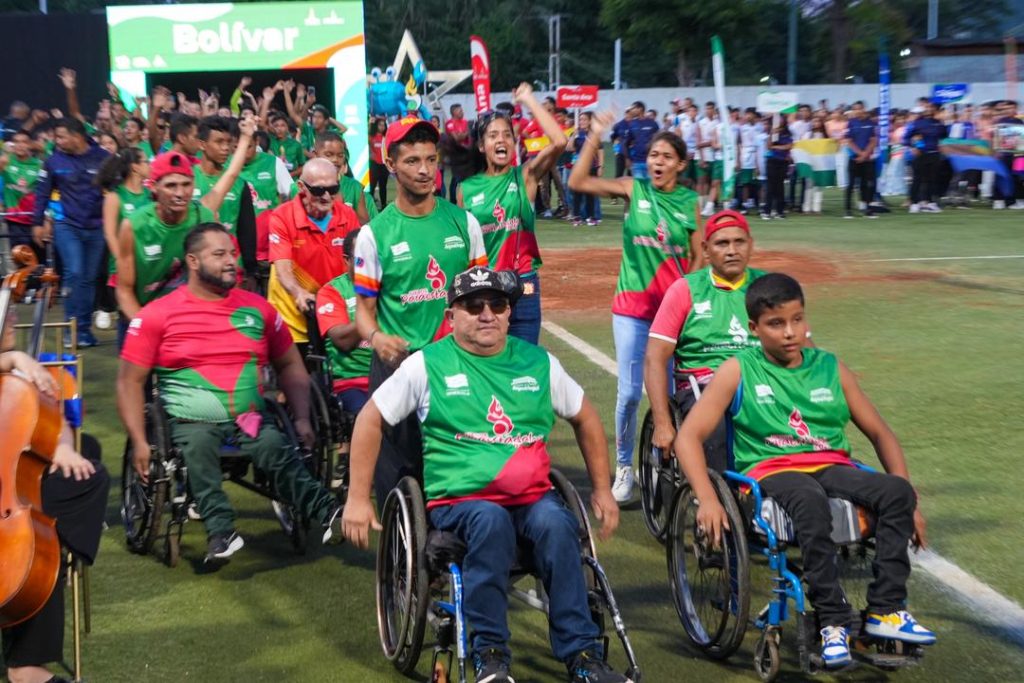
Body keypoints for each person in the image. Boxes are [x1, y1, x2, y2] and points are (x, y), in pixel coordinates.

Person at [342, 266, 630, 683]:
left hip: (532, 499)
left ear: (510, 313)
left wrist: (602, 489)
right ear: (451, 315)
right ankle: (490, 653)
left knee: (558, 524)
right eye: (473, 305)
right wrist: (357, 497)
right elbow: (370, 420)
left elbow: (585, 417)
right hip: (462, 502)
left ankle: (583, 655)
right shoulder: (427, 365)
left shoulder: (539, 363)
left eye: (497, 304)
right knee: (490, 521)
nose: (487, 314)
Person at [675, 272, 937, 667]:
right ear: (754, 329)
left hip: (830, 464)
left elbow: (881, 433)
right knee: (810, 502)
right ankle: (832, 621)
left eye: (797, 320)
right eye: (776, 323)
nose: (789, 332)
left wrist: (910, 503)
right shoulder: (737, 370)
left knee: (898, 491)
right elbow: (688, 437)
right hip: (770, 470)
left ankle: (885, 609)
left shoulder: (830, 367)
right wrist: (707, 499)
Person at [117, 223, 342, 564]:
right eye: (219, 254)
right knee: (199, 446)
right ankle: (221, 533)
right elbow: (129, 382)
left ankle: (327, 512)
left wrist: (301, 418)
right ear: (193, 261)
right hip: (190, 419)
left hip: (249, 417)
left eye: (233, 254)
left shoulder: (259, 309)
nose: (230, 262)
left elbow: (290, 366)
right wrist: (139, 440)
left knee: (274, 446)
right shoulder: (157, 314)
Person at [353, 116, 488, 506]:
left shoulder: (464, 223)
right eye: (412, 161)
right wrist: (377, 337)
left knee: (458, 478)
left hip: (456, 366)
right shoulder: (374, 234)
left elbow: (480, 297)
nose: (425, 170)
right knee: (398, 482)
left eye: (431, 159)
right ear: (390, 164)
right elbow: (364, 311)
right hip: (397, 367)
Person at [569, 113, 703, 503]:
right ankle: (625, 468)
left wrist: (688, 297)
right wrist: (594, 136)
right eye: (654, 155)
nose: (658, 161)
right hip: (632, 308)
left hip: (674, 315)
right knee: (629, 394)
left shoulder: (690, 202)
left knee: (676, 395)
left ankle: (673, 466)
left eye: (666, 156)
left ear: (681, 164)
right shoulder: (634, 188)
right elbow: (578, 182)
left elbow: (698, 256)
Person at [1, 315, 110, 683]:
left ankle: (27, 661)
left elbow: (52, 418)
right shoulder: (16, 363)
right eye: (3, 310)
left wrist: (62, 447)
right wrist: (12, 358)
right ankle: (26, 665)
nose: (12, 316)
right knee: (42, 542)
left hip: (13, 490)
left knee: (87, 470)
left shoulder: (26, 372)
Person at [644, 210, 763, 473]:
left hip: (761, 383)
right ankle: (714, 490)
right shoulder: (684, 290)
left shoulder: (767, 287)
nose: (732, 251)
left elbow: (802, 348)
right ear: (706, 250)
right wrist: (662, 422)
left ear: (750, 244)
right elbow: (655, 358)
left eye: (739, 242)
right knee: (715, 428)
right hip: (702, 387)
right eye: (722, 243)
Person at [458, 82, 567, 345]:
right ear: (481, 146)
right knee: (489, 358)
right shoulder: (466, 189)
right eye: (493, 135)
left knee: (524, 359)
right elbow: (464, 247)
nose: (501, 140)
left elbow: (560, 141)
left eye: (507, 135)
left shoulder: (525, 177)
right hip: (486, 287)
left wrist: (528, 100)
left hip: (524, 286)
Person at [115, 118, 255, 322]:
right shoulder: (134, 225)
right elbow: (125, 290)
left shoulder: (202, 214)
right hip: (144, 314)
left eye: (186, 184)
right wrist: (144, 327)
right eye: (171, 186)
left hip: (189, 319)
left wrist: (246, 137)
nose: (180, 193)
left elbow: (231, 174)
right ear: (153, 187)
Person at [30, 118, 109, 348]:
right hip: (67, 225)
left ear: (78, 136)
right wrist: (37, 222)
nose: (58, 141)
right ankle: (70, 328)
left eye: (62, 137)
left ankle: (82, 330)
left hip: (97, 227)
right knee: (74, 272)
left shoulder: (103, 157)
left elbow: (116, 189)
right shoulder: (53, 161)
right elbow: (42, 193)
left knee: (89, 278)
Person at [267, 158, 360, 345]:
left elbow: (358, 263)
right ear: (301, 187)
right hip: (294, 317)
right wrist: (298, 292)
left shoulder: (347, 215)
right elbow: (282, 268)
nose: (326, 196)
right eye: (318, 190)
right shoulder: (282, 217)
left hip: (333, 313)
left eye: (333, 189)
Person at [97, 147, 151, 339]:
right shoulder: (114, 197)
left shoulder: (150, 195)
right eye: (146, 162)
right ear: (135, 167)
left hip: (146, 265)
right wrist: (121, 262)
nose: (150, 165)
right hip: (122, 266)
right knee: (127, 317)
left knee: (146, 315)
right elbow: (110, 234)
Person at [315, 229, 371, 413]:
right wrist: (373, 309)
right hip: (352, 381)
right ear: (347, 260)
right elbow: (342, 340)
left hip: (393, 376)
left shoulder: (393, 285)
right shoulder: (331, 292)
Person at [313, 131, 374, 224]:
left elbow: (365, 222)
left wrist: (342, 210)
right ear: (315, 155)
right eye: (328, 155)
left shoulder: (354, 187)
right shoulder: (299, 187)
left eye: (340, 155)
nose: (335, 159)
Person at [0, 129, 43, 250]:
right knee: (20, 255)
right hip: (14, 219)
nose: (20, 145)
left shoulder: (39, 165)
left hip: (34, 219)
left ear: (30, 144)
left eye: (24, 142)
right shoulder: (6, 161)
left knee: (38, 257)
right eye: (16, 142)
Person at [903, 101, 947, 213]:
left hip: (934, 154)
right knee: (917, 179)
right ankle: (914, 203)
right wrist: (913, 147)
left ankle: (929, 203)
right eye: (926, 107)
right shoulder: (917, 123)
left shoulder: (939, 124)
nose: (928, 109)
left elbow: (944, 136)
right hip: (921, 154)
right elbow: (906, 138)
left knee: (932, 180)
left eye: (931, 107)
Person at [568, 111, 603, 226]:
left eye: (584, 119)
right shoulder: (576, 133)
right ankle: (576, 217)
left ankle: (591, 217)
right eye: (580, 119)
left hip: (591, 167)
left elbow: (600, 151)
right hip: (578, 168)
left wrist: (600, 166)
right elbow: (569, 148)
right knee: (577, 193)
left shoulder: (594, 134)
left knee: (590, 194)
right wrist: (573, 136)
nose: (582, 122)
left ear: (590, 121)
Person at [844, 101, 878, 219]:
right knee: (851, 184)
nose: (857, 111)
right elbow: (849, 141)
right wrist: (860, 154)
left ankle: (868, 209)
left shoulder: (871, 123)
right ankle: (848, 210)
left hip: (867, 159)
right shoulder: (851, 123)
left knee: (867, 184)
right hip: (854, 158)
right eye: (855, 109)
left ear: (864, 109)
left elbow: (873, 141)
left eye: (859, 109)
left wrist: (865, 155)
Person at [763, 118, 792, 220]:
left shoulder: (787, 133)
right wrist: (772, 134)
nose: (779, 120)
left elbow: (788, 146)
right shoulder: (772, 132)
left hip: (783, 162)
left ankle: (779, 212)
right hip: (772, 161)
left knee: (780, 187)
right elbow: (768, 146)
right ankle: (767, 212)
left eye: (781, 118)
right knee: (770, 187)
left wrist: (776, 147)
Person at [696, 102, 723, 216]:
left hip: (715, 157)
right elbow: (698, 143)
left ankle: (709, 205)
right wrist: (702, 157)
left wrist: (711, 143)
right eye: (707, 109)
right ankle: (700, 206)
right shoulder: (701, 122)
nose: (709, 111)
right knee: (701, 181)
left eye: (711, 109)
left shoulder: (718, 123)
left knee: (711, 182)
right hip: (703, 155)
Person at [623, 100, 660, 181]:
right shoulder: (632, 124)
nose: (631, 111)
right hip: (637, 162)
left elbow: (659, 141)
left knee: (651, 186)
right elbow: (625, 143)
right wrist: (627, 158)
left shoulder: (652, 123)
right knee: (639, 186)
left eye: (633, 108)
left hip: (651, 162)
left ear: (640, 109)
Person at [444, 103, 472, 203]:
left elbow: (469, 136)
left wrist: (463, 134)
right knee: (456, 179)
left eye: (462, 110)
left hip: (466, 154)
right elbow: (456, 138)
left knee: (467, 178)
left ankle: (466, 200)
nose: (462, 112)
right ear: (453, 112)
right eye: (460, 110)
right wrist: (465, 133)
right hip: (455, 155)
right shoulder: (450, 123)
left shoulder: (465, 122)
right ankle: (453, 201)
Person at [269, 112, 306, 179]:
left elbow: (303, 166)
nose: (279, 128)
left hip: (291, 180)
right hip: (273, 180)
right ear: (272, 128)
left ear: (287, 128)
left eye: (282, 125)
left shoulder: (296, 145)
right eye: (276, 126)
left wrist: (291, 174)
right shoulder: (269, 142)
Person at [368, 117, 388, 209]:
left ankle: (383, 205)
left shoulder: (386, 138)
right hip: (374, 164)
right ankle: (370, 206)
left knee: (383, 186)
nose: (382, 127)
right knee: (372, 186)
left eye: (384, 125)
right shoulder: (371, 137)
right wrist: (369, 123)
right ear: (376, 126)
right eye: (380, 125)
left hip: (384, 165)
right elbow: (366, 134)